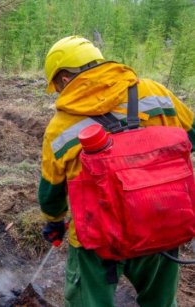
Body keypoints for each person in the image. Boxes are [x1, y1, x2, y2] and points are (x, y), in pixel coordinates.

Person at [39, 35, 195, 306]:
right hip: (161, 222)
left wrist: (54, 221)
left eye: (57, 85)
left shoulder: (60, 127)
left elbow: (51, 192)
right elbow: (191, 139)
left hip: (97, 240)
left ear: (64, 79)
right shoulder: (156, 92)